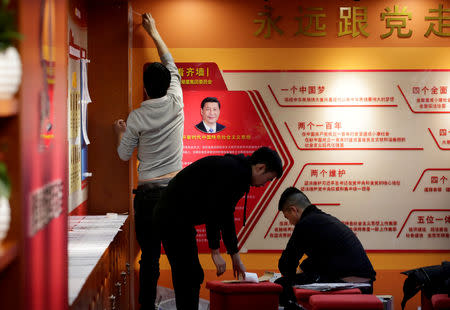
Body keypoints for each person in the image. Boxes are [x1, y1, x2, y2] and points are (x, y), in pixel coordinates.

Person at [153, 147, 283, 310]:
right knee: (189, 275)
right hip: (172, 218)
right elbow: (214, 210)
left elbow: (226, 215)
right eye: (268, 179)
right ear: (260, 168)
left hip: (177, 219)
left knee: (191, 275)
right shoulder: (233, 171)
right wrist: (215, 251)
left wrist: (235, 257)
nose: (265, 184)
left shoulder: (237, 171)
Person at [113, 13, 183, 310]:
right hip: (175, 194)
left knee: (150, 257)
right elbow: (170, 63)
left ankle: (146, 307)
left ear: (144, 88)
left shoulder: (137, 117)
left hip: (146, 196)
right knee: (180, 255)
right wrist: (153, 31)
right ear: (168, 85)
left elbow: (123, 155)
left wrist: (120, 132)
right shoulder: (177, 99)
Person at [275, 187, 376, 310]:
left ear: (293, 210)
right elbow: (322, 258)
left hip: (348, 284)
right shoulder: (323, 219)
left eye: (287, 217)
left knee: (281, 285)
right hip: (367, 285)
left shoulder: (305, 223)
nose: (290, 223)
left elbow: (286, 266)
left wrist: (294, 273)